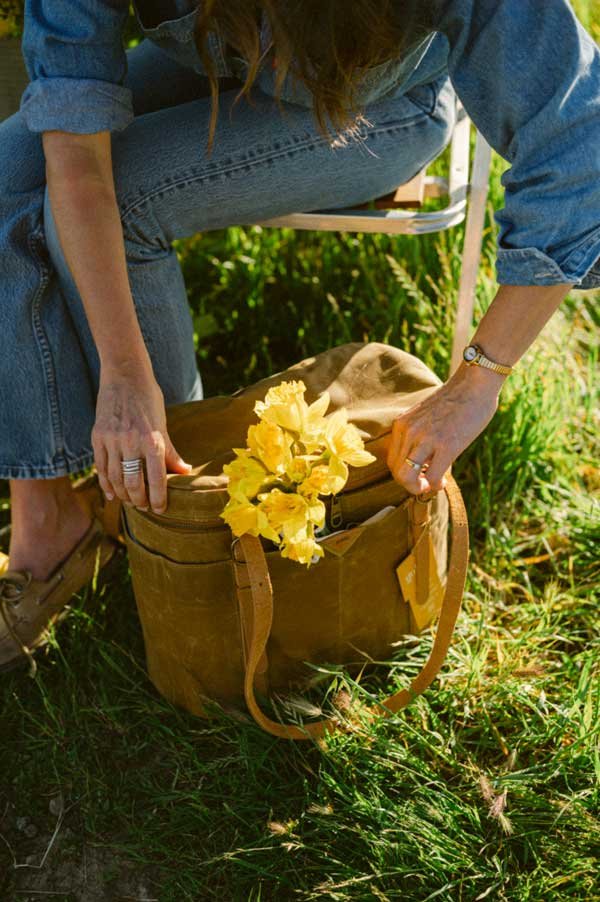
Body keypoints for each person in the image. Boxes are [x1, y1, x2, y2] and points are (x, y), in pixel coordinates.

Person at [1, 0, 598, 672]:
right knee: (9, 174)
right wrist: (125, 373)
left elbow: (580, 142)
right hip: (219, 67)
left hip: (378, 106)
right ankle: (51, 520)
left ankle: (185, 514)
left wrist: (478, 382)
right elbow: (77, 162)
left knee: (131, 196)